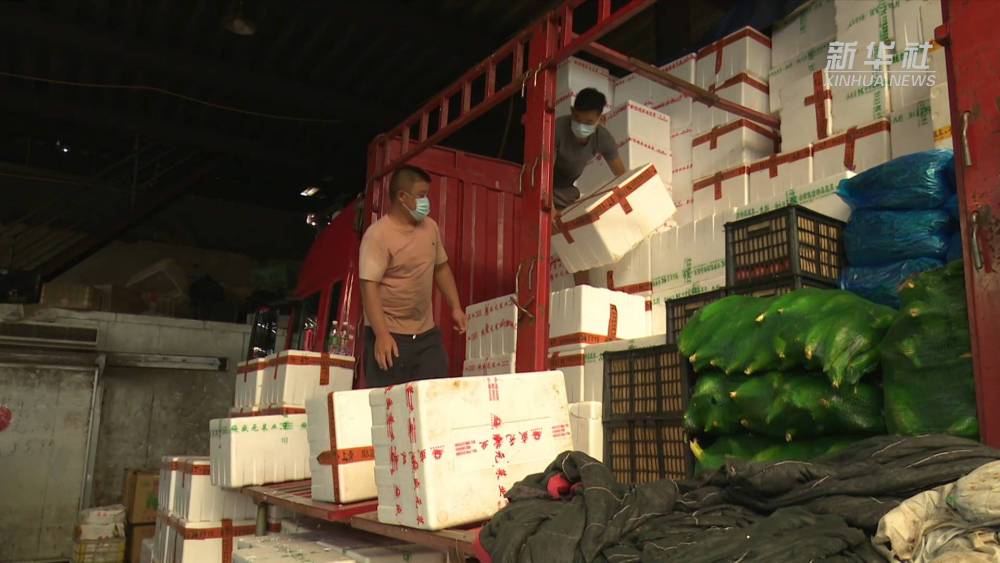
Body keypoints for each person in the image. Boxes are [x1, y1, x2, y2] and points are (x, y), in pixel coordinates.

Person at [359, 164, 468, 387]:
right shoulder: (378, 235)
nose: (426, 201)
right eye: (421, 195)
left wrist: (456, 307)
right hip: (389, 333)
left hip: (426, 334)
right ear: (402, 197)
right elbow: (368, 286)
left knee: (434, 395)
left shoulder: (431, 228)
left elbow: (441, 268)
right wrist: (382, 335)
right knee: (389, 402)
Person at [553, 87, 627, 213]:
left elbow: (622, 175)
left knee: (577, 202)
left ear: (601, 119)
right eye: (577, 119)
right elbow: (543, 173)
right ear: (572, 111)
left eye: (588, 122)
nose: (581, 125)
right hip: (544, 183)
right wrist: (550, 209)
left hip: (565, 190)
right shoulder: (557, 128)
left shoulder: (603, 138)